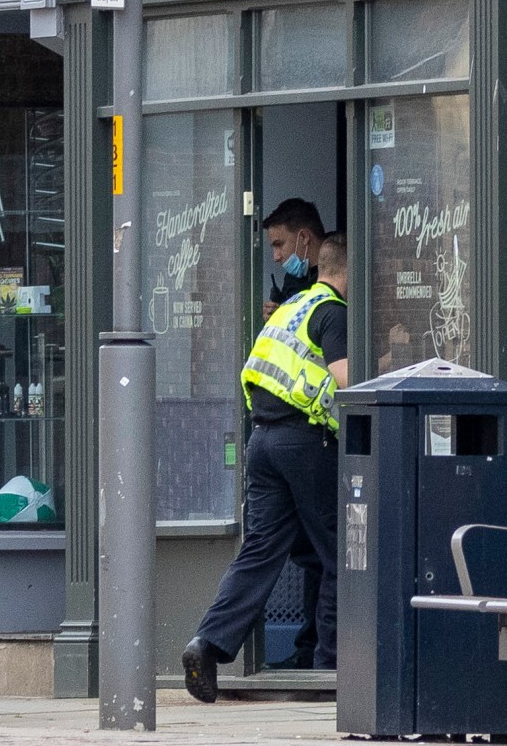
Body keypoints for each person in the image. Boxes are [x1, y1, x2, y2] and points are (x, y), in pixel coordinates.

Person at [182, 233, 348, 703]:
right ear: (348, 272)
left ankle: (207, 644)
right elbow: (346, 381)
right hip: (306, 441)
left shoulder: (293, 307)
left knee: (260, 550)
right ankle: (328, 671)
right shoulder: (331, 311)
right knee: (340, 552)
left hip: (262, 439)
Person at [262, 197, 326, 669]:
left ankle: (322, 653)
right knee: (312, 551)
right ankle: (311, 648)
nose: (278, 255)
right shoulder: (294, 283)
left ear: (304, 238)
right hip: (292, 432)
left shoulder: (332, 284)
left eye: (281, 244)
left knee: (327, 551)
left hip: (316, 431)